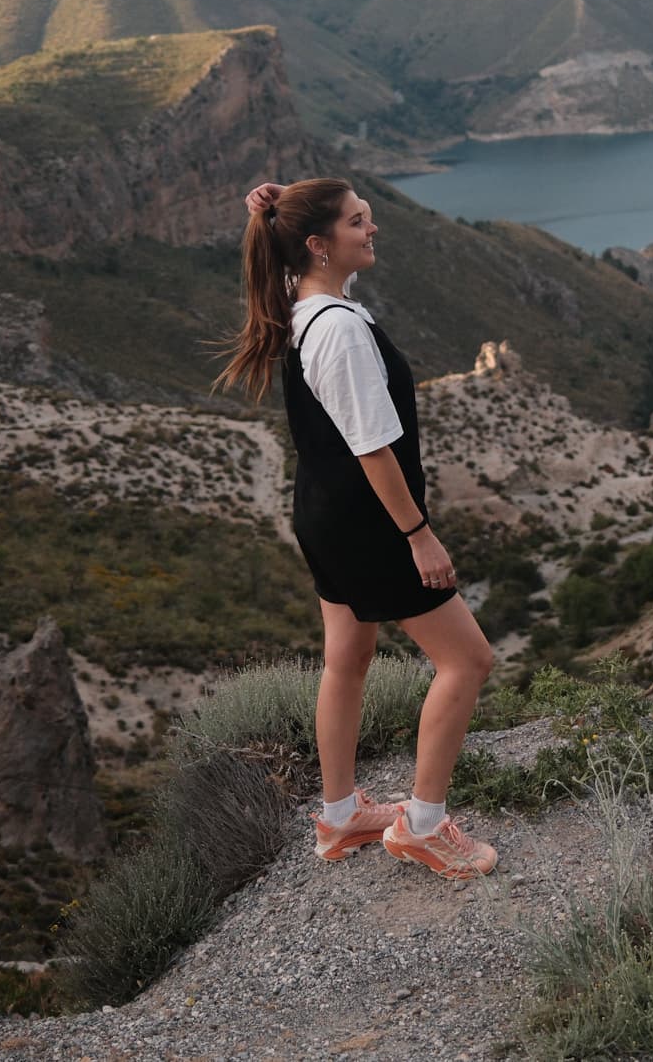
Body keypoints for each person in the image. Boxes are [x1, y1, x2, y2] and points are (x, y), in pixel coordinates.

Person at [213, 177, 498, 881]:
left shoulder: (302, 304)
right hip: (370, 520)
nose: (373, 230)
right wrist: (418, 533)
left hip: (323, 512)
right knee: (467, 660)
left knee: (347, 657)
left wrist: (270, 210)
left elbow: (281, 247)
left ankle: (340, 817)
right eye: (358, 221)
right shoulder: (338, 328)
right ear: (319, 245)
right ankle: (423, 827)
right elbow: (374, 447)